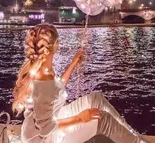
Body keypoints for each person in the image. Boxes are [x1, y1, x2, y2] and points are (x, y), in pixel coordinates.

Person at [12, 24, 149, 143]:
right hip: (43, 139)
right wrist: (79, 118)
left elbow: (55, 88)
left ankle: (132, 136)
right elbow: (46, 127)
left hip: (51, 118)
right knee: (103, 120)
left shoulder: (43, 69)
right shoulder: (43, 78)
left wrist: (73, 63)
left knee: (96, 98)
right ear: (55, 45)